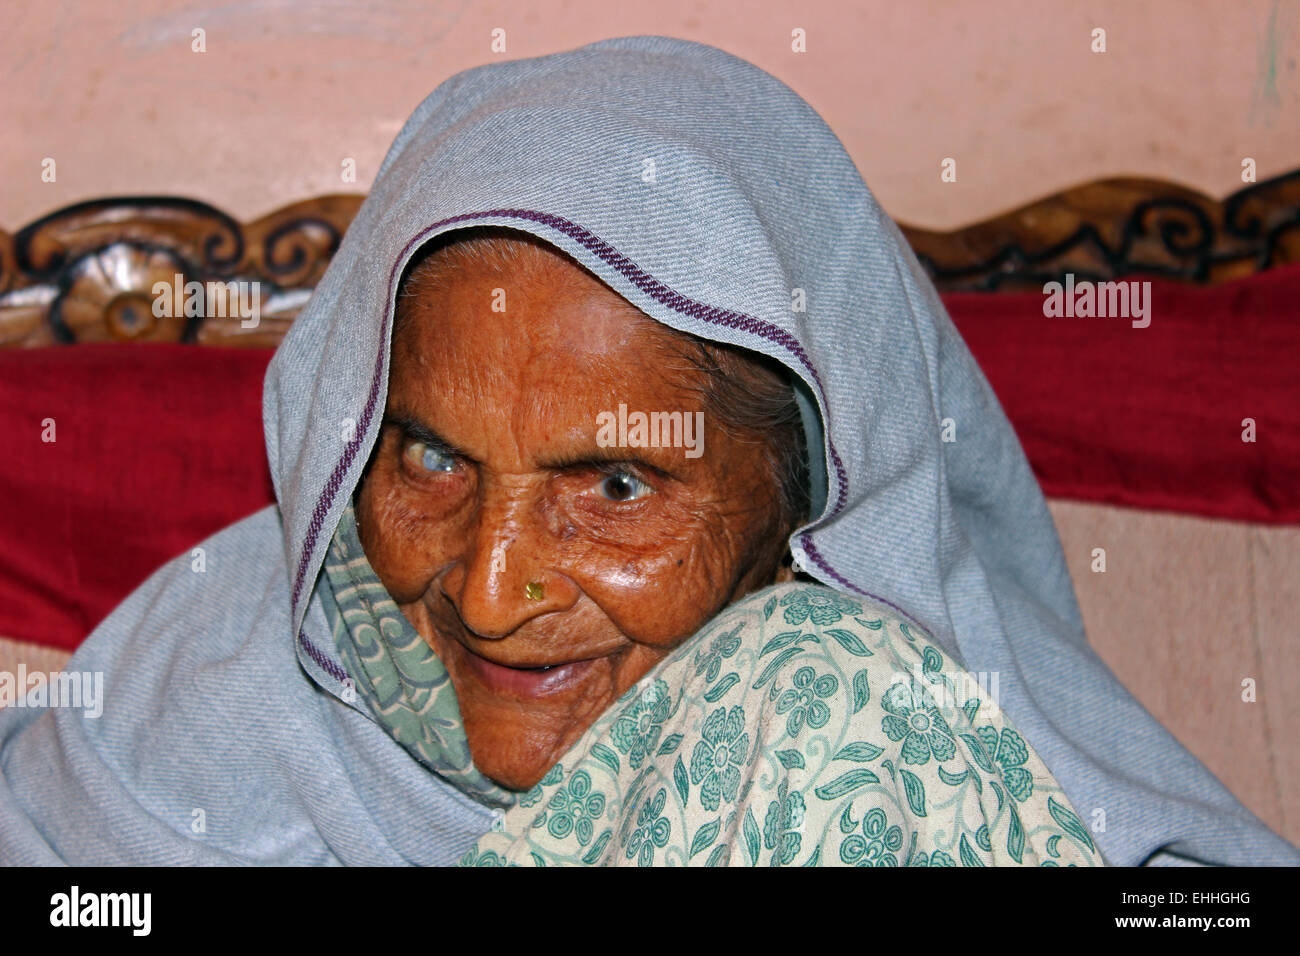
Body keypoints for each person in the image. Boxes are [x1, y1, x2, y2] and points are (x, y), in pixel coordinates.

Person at [0, 35, 1292, 866]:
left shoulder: (875, 717)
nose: (493, 591)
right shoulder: (216, 679)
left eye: (614, 487)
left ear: (807, 504)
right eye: (431, 461)